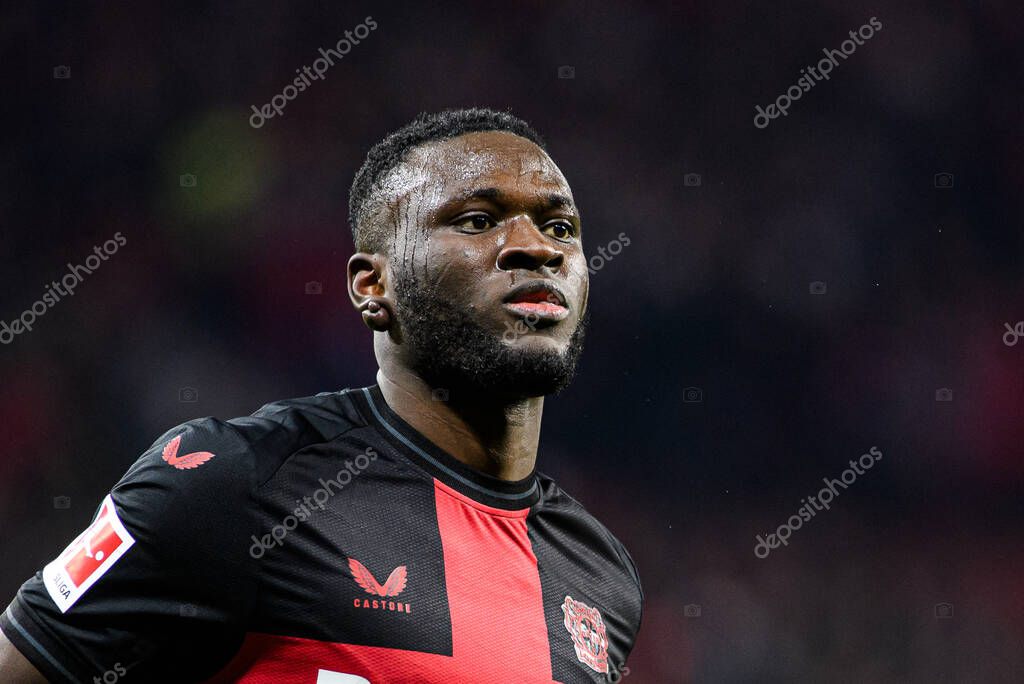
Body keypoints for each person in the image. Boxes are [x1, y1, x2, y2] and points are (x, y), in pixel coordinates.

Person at [0, 108, 643, 682]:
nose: (536, 248)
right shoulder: (235, 483)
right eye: (477, 220)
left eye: (561, 228)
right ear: (372, 286)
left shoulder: (598, 574)